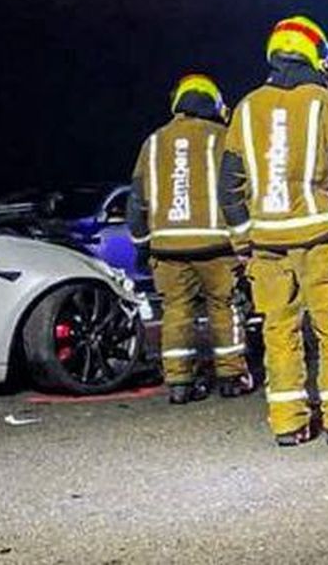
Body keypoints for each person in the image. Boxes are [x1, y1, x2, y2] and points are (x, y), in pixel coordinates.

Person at [220, 15, 328, 447]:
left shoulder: (247, 107)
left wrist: (242, 239)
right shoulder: (325, 102)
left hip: (266, 243)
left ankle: (289, 425)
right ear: (315, 55)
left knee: (278, 330)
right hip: (318, 239)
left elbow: (228, 183)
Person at [130, 73, 252, 405]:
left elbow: (137, 200)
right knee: (224, 307)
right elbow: (239, 189)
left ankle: (180, 383)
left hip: (167, 248)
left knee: (175, 312)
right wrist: (246, 238)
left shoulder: (153, 142)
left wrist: (141, 243)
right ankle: (231, 376)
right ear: (214, 104)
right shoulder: (225, 137)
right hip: (217, 246)